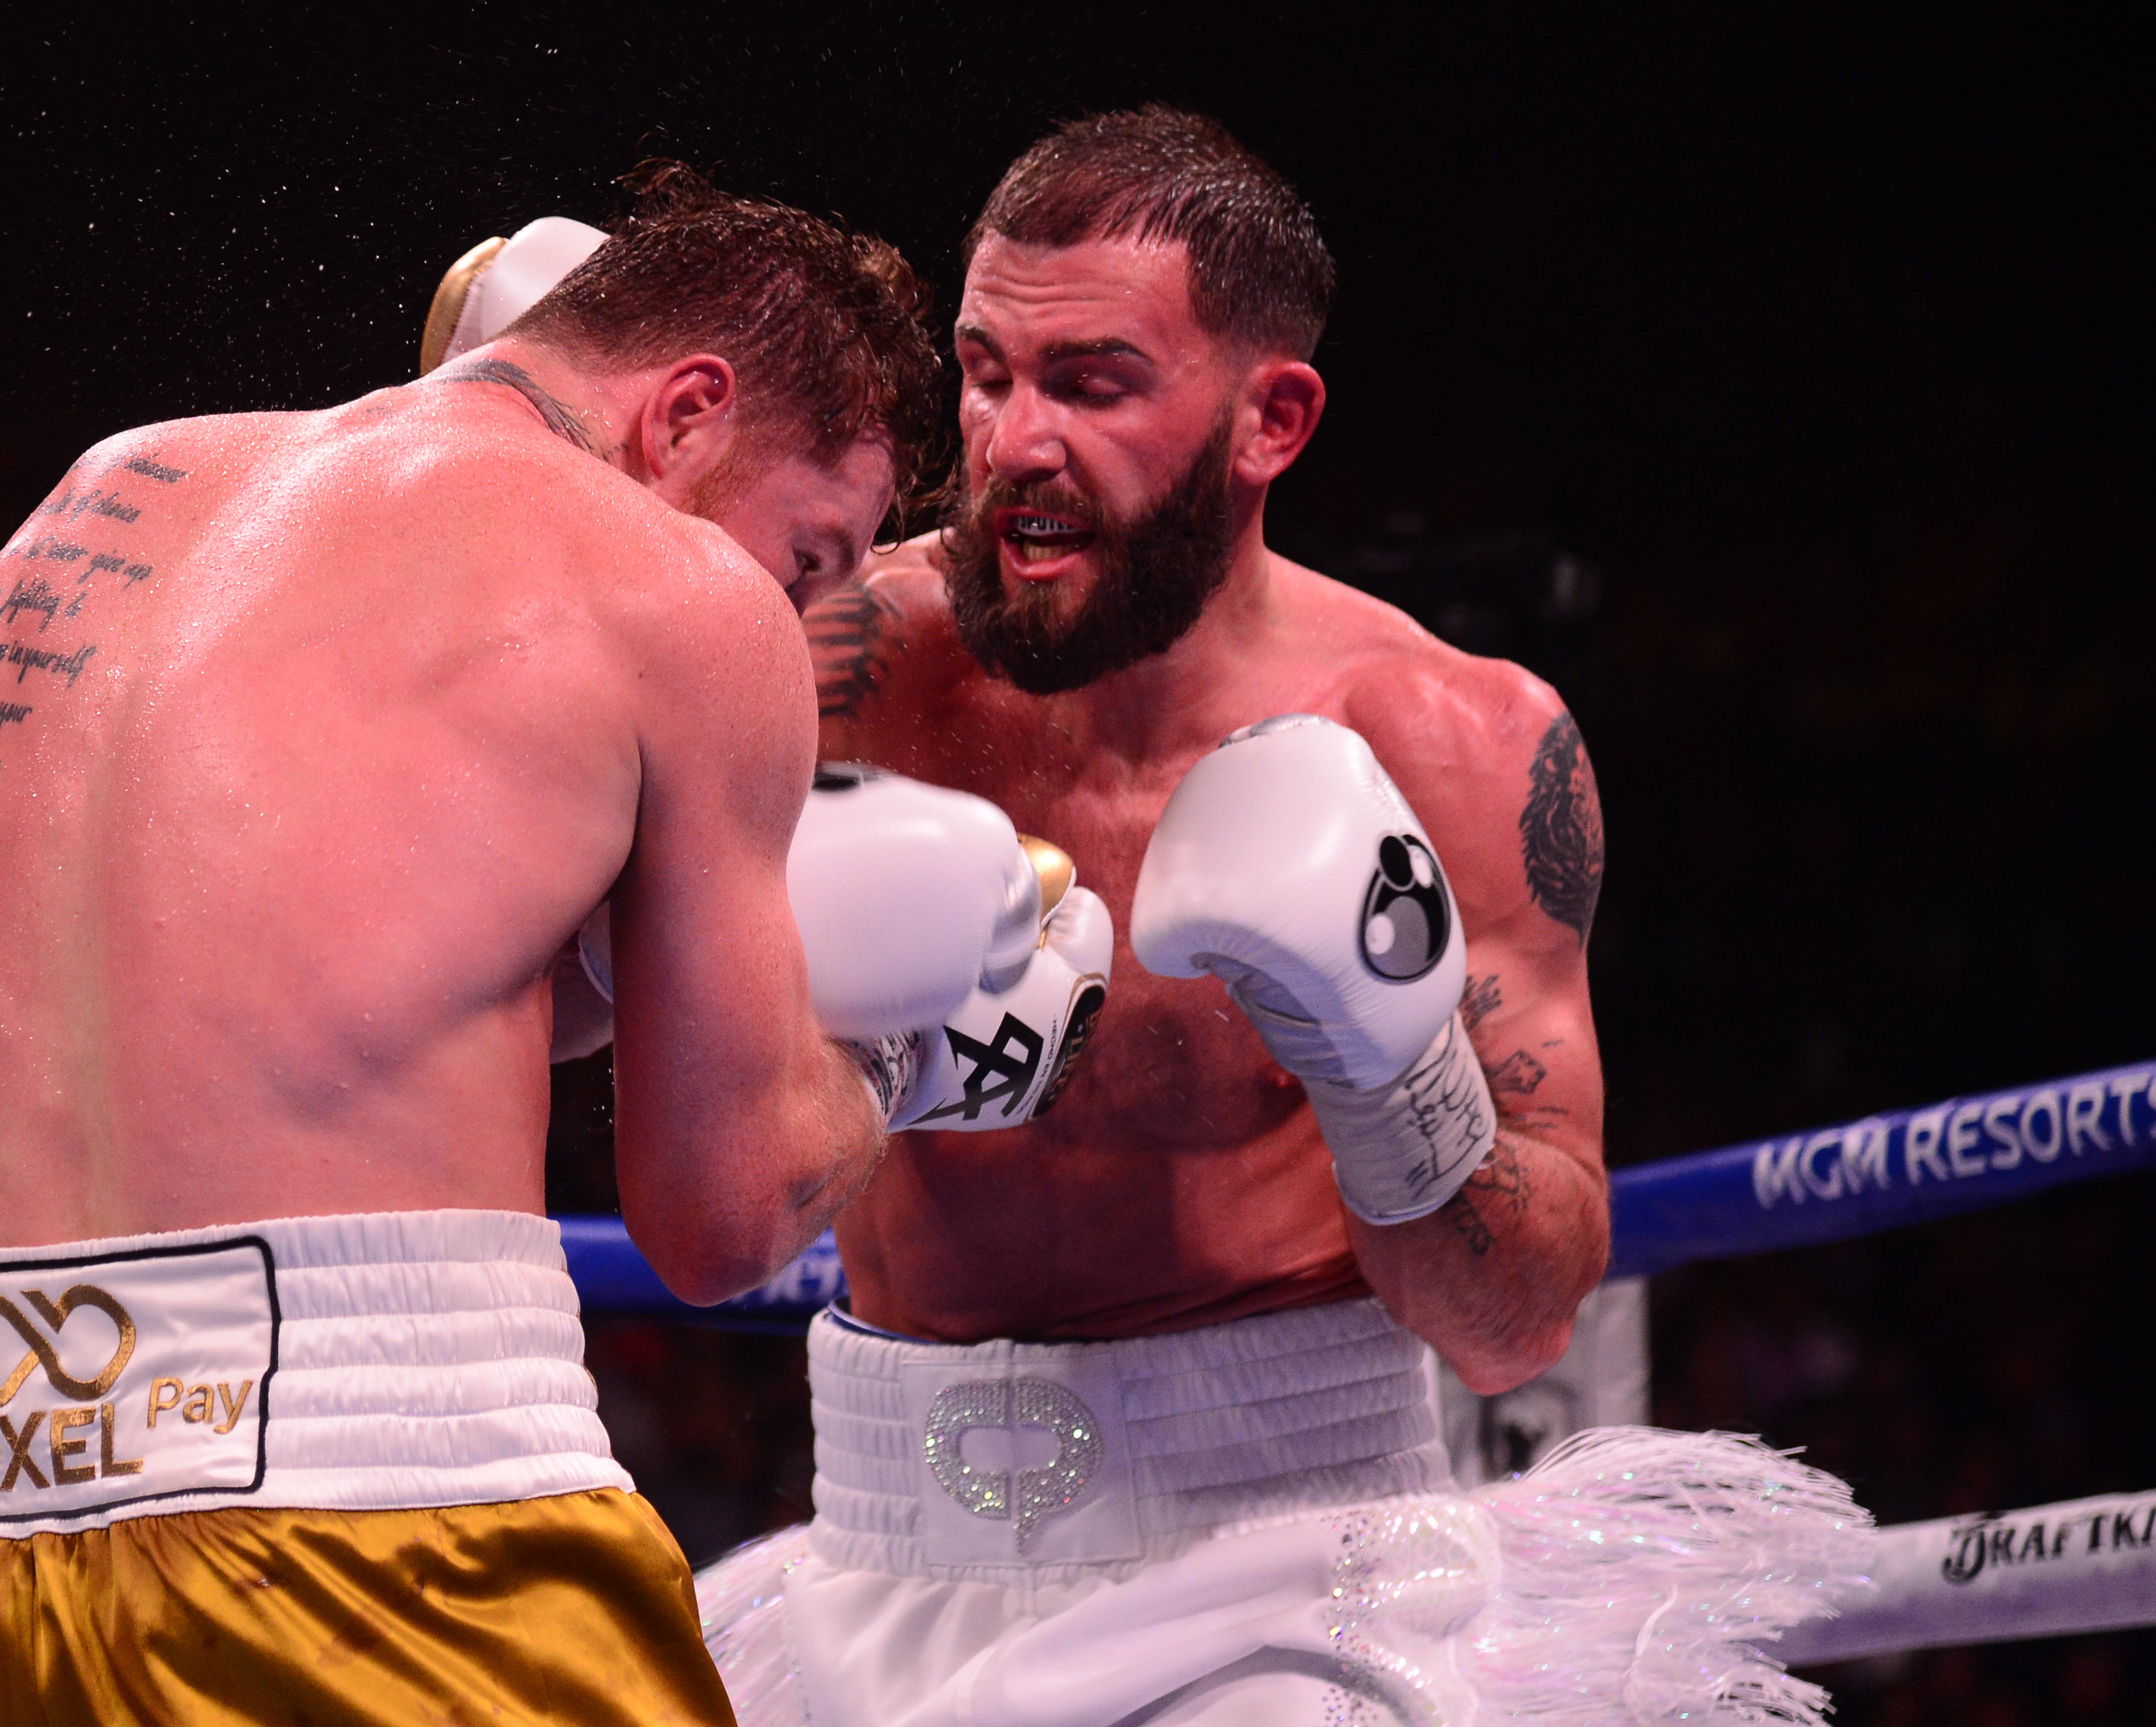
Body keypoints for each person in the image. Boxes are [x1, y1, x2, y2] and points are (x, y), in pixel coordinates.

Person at [679, 109, 1865, 1726]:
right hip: (874, 1555)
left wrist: (1393, 1075)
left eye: (1092, 383)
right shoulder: (833, 673)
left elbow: (1516, 1323)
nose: (1014, 439)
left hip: (1289, 1571)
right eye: (985, 370)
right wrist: (861, 1070)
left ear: (1270, 419)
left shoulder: (1452, 742)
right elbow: (638, 1118)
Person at [0, 166, 1005, 1726]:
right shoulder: (679, 597)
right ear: (688, 409)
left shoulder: (93, 509)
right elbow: (719, 1218)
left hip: (20, 1543)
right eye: (815, 551)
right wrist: (921, 1049)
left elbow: (324, 980)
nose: (806, 611)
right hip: (397, 1539)